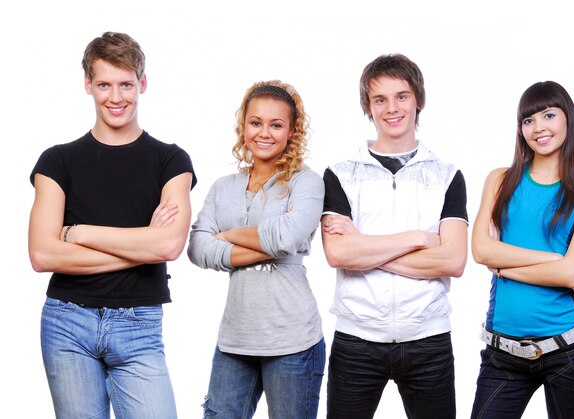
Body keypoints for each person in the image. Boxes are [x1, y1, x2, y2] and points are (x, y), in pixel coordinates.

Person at [28, 32, 196, 419]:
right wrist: (143, 245)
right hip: (67, 322)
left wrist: (79, 233)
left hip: (139, 324)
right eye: (104, 84)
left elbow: (169, 246)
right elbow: (42, 253)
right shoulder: (57, 162)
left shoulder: (170, 160)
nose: (116, 97)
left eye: (126, 84)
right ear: (88, 84)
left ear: (143, 84)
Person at [321, 53, 468, 419]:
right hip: (356, 341)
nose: (392, 108)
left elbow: (452, 261)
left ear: (418, 100)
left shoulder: (447, 175)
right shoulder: (340, 174)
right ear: (367, 108)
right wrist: (419, 237)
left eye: (401, 96)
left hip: (428, 341)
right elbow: (339, 255)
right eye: (379, 99)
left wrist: (364, 245)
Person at [187, 80, 325, 419]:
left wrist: (230, 234)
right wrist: (275, 244)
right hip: (235, 339)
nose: (265, 133)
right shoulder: (223, 188)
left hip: (293, 340)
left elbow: (288, 238)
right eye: (256, 122)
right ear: (243, 126)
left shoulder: (306, 182)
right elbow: (198, 248)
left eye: (276, 124)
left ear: (292, 131)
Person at [470, 81, 574, 418]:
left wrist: (504, 266)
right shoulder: (500, 180)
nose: (538, 127)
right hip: (503, 354)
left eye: (548, 115)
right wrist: (555, 259)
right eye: (528, 120)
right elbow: (481, 250)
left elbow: (572, 274)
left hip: (570, 352)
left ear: (568, 120)